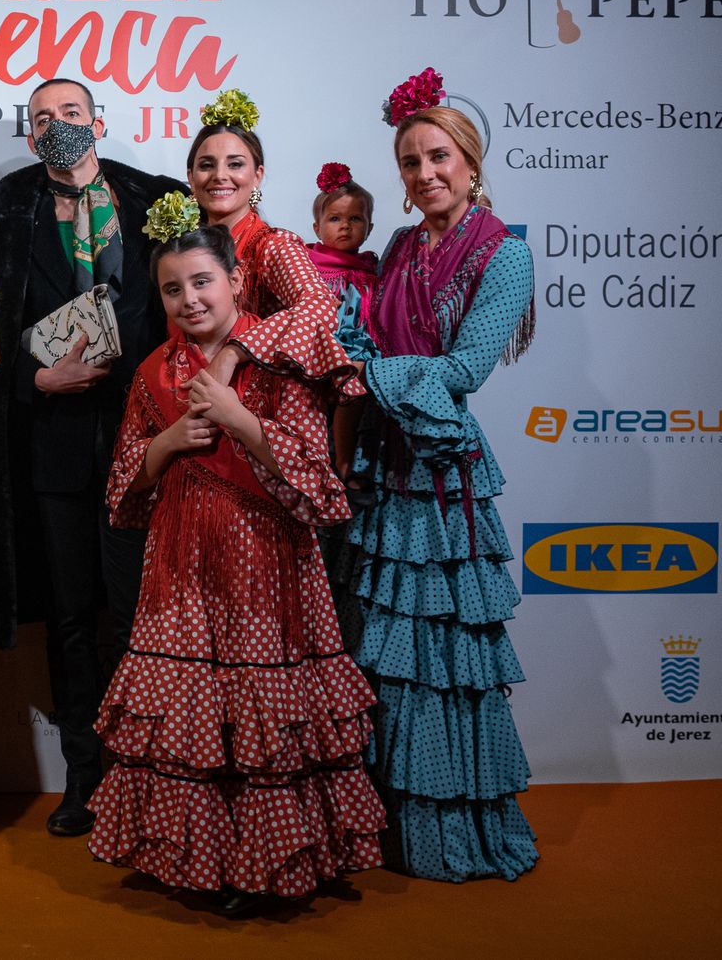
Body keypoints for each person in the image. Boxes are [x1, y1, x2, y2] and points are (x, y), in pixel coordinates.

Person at [87, 204, 385, 916]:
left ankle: (267, 862)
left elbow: (317, 481)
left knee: (261, 722)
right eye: (172, 289)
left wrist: (237, 418)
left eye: (202, 282)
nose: (190, 300)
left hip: (266, 566)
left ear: (236, 281)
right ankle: (196, 857)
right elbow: (124, 482)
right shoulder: (153, 373)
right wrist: (167, 445)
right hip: (180, 566)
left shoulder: (283, 362)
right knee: (192, 718)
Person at [337, 68, 539, 882]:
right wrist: (351, 347)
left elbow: (461, 370)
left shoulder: (506, 254)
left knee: (445, 662)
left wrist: (368, 371)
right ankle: (384, 825)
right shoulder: (397, 245)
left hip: (443, 475)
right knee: (387, 651)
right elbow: (376, 340)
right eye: (410, 162)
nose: (425, 174)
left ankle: (451, 830)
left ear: (470, 160)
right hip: (385, 468)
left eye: (438, 157)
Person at [0, 78, 187, 836]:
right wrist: (35, 381)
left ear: (98, 123)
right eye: (43, 118)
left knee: (137, 615)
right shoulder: (5, 216)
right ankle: (84, 779)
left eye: (70, 113)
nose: (57, 125)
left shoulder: (156, 200)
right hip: (55, 445)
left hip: (147, 439)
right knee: (68, 620)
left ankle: (147, 775)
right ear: (30, 136)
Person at [184, 90, 353, 395]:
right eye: (206, 165)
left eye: (235, 164)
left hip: (262, 401)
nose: (219, 175)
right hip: (192, 392)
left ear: (257, 175)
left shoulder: (272, 245)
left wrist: (234, 352)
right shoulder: (184, 249)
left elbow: (320, 305)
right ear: (191, 177)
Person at [305, 162, 381, 480]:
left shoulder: (372, 270)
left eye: (355, 219)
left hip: (358, 356)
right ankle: (324, 464)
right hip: (319, 353)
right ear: (317, 227)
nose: (345, 226)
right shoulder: (308, 266)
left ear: (369, 228)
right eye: (335, 219)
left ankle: (348, 462)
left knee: (357, 399)